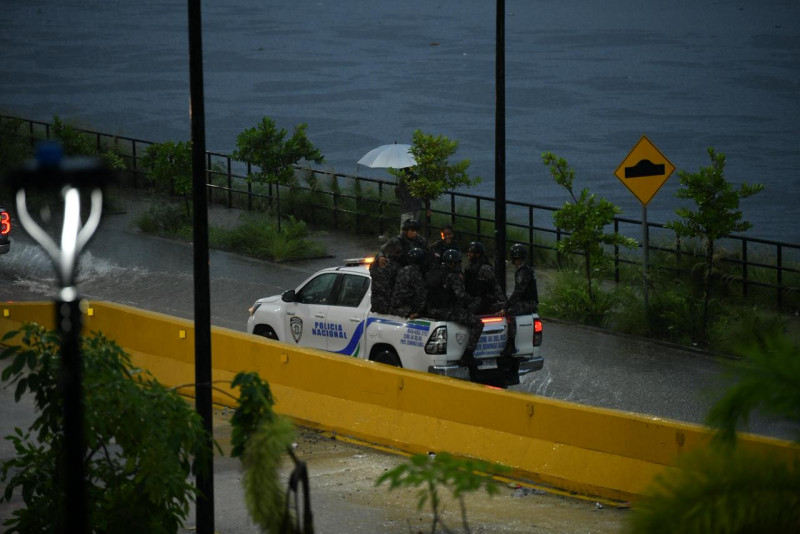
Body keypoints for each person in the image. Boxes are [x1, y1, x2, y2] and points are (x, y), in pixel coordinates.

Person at [425, 249, 484, 368]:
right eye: (457, 263)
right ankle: (467, 356)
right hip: (447, 310)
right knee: (478, 324)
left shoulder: (433, 272)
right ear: (452, 263)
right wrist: (474, 301)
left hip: (431, 310)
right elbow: (461, 295)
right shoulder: (452, 275)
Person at [501, 243, 539, 356]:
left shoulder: (523, 271)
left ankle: (511, 343)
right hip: (526, 300)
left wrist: (507, 305)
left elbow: (518, 292)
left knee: (510, 312)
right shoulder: (525, 269)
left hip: (529, 303)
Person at [464, 241, 507, 315]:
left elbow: (495, 286)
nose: (468, 254)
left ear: (477, 254)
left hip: (483, 300)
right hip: (472, 298)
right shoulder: (470, 267)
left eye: (470, 252)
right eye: (468, 252)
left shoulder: (485, 268)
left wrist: (505, 303)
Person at [390, 247, 427, 319]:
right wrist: (417, 312)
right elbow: (421, 294)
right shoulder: (415, 273)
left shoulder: (402, 270)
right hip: (407, 311)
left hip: (395, 308)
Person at [370, 237, 403, 314]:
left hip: (376, 306)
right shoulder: (395, 267)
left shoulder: (375, 265)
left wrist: (379, 257)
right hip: (389, 307)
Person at [395, 168, 423, 233]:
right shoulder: (417, 178)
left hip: (407, 208)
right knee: (414, 230)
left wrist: (397, 190)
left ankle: (404, 243)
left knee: (405, 231)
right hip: (417, 207)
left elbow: (401, 196)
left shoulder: (403, 180)